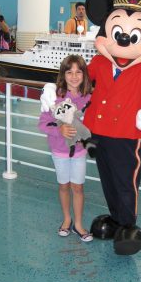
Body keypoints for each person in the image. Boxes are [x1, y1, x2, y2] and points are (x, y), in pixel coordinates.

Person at [41, 0, 141, 255]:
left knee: (126, 181)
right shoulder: (100, 62)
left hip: (128, 136)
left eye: (134, 35)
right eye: (117, 30)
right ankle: (115, 218)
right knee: (107, 178)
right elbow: (78, 86)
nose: (123, 39)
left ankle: (128, 224)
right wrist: (54, 93)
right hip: (96, 133)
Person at [38, 55, 93, 243]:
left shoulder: (88, 97)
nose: (74, 76)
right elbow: (42, 124)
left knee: (78, 187)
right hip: (59, 151)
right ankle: (66, 219)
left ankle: (78, 223)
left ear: (84, 75)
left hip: (79, 152)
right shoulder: (54, 97)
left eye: (79, 72)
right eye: (69, 72)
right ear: (63, 74)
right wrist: (59, 129)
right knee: (64, 186)